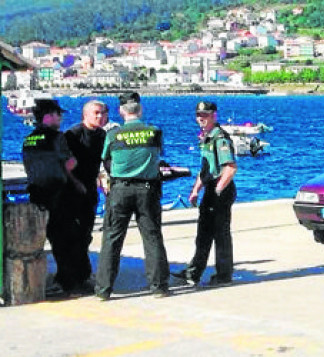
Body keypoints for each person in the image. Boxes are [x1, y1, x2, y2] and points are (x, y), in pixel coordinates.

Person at [95, 92, 170, 300]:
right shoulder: (154, 132)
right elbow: (158, 155)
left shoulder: (113, 135)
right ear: (140, 109)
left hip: (120, 189)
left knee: (111, 238)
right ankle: (159, 287)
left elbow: (106, 161)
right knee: (152, 237)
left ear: (121, 111)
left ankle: (103, 289)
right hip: (147, 188)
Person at [21, 99, 87, 296]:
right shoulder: (57, 137)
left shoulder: (29, 139)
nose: (61, 118)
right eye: (59, 114)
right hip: (58, 192)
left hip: (36, 191)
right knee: (66, 238)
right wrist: (76, 162)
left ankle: (51, 278)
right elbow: (68, 164)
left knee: (46, 236)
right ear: (49, 115)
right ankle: (69, 281)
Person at [171, 101, 237, 287]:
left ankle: (224, 274)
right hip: (211, 188)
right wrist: (195, 191)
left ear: (214, 116)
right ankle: (193, 272)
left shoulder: (220, 138)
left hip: (221, 189)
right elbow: (205, 169)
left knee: (220, 234)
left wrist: (217, 190)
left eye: (205, 115)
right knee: (203, 233)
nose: (201, 118)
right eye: (199, 115)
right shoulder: (206, 138)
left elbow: (230, 169)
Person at [59, 100, 109, 293]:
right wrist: (75, 182)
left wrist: (102, 179)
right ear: (85, 115)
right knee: (72, 234)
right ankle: (72, 276)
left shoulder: (102, 135)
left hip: (89, 188)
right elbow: (63, 163)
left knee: (85, 234)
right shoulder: (73, 134)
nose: (100, 116)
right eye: (96, 113)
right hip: (71, 188)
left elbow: (102, 163)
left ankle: (81, 275)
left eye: (103, 113)